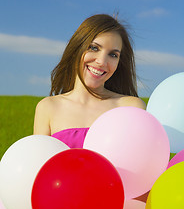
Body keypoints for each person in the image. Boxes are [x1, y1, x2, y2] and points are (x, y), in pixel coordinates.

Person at [33, 13, 146, 148]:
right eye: (94, 48)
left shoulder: (131, 107)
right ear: (76, 48)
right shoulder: (48, 107)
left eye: (113, 55)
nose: (101, 62)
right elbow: (38, 164)